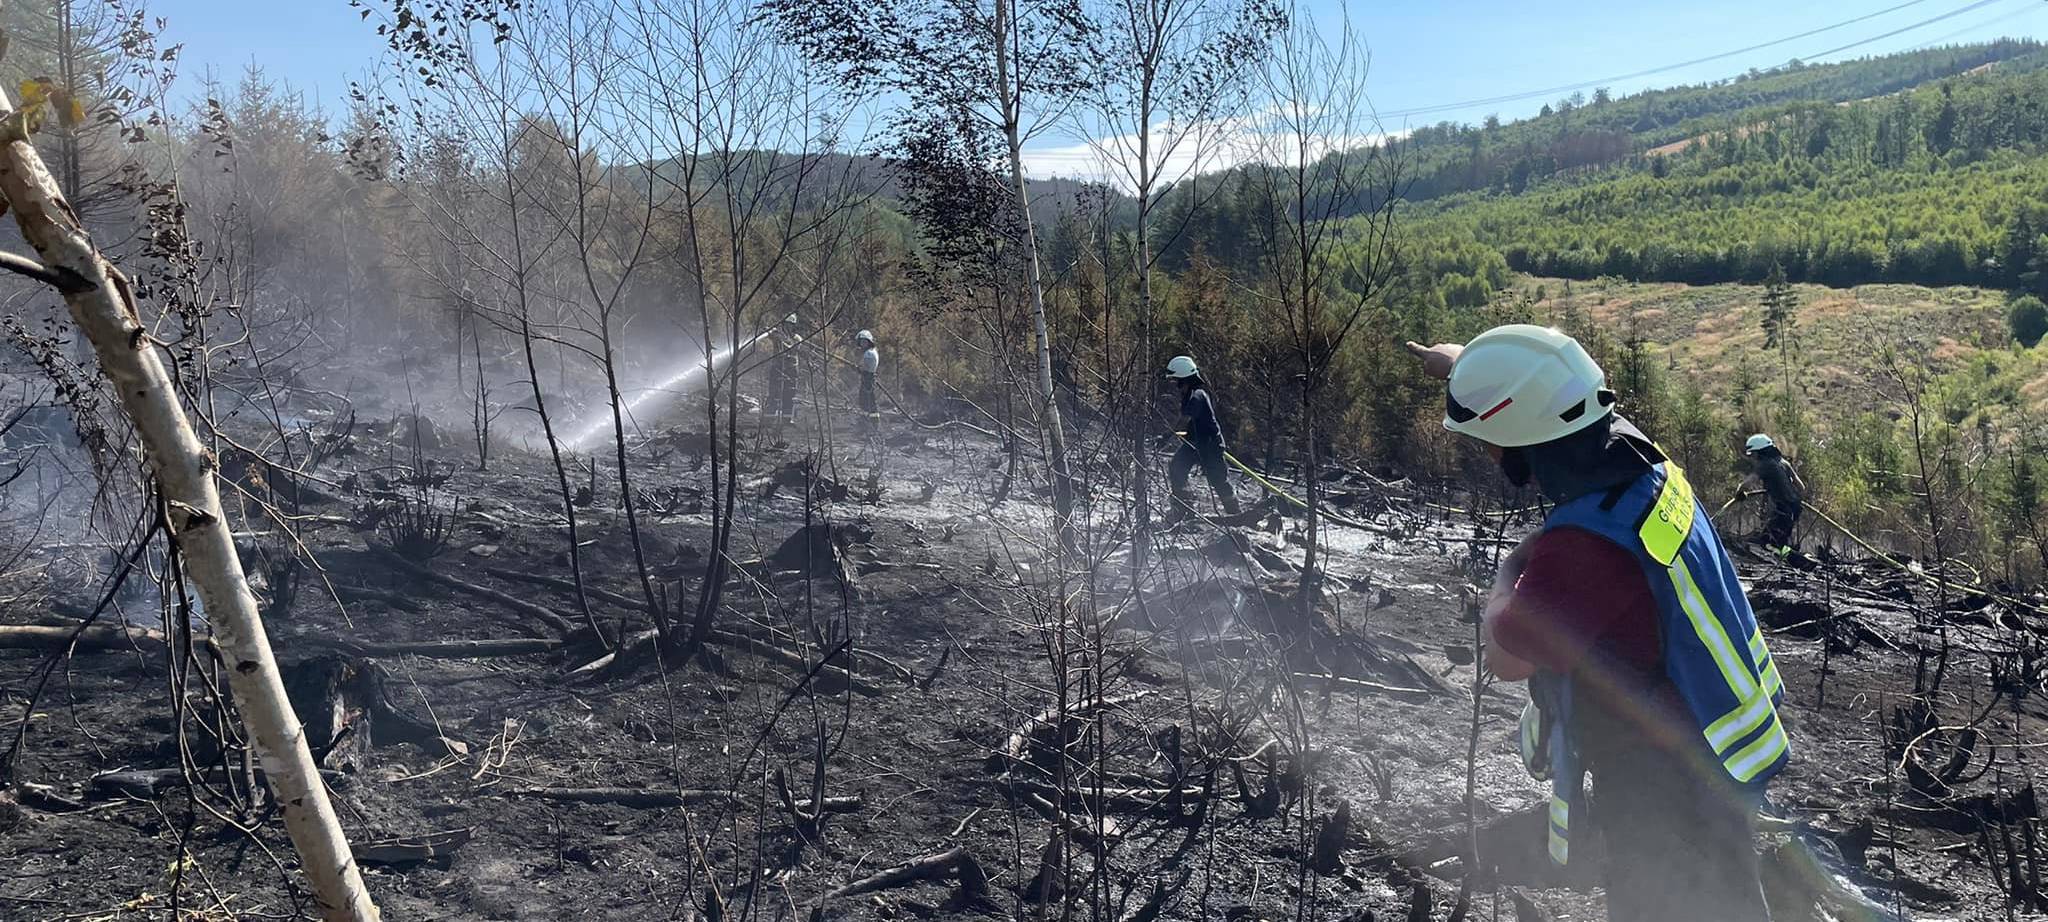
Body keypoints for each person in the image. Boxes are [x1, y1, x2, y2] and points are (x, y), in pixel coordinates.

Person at [1407, 329, 1788, 922]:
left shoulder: (1583, 546)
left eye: (1487, 437)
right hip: (1714, 742)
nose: (1485, 451)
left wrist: (1510, 569)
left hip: (1661, 785)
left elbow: (1507, 656)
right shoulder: (1635, 457)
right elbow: (1542, 390)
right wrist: (1460, 366)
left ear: (1521, 436)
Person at [1161, 355, 1240, 522]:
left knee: (1218, 480)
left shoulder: (1197, 395)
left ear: (1184, 379)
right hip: (1193, 444)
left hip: (1210, 445)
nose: (1176, 386)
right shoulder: (1190, 394)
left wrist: (1166, 435)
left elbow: (1185, 419)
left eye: (1176, 381)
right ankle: (1183, 509)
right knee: (1176, 468)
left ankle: (1236, 515)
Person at [1742, 433, 1805, 557]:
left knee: (1768, 543)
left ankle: (1794, 560)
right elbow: (1801, 487)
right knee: (1780, 541)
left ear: (1761, 452)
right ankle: (1794, 560)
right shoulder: (1784, 462)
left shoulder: (1765, 464)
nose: (1753, 457)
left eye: (1753, 453)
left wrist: (1739, 493)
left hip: (1783, 510)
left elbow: (1747, 483)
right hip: (1796, 509)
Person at [766, 314, 802, 425]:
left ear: (793, 326)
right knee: (773, 392)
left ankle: (787, 418)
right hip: (777, 367)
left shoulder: (797, 338)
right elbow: (768, 334)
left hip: (791, 369)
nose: (788, 327)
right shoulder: (777, 335)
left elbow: (791, 349)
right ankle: (769, 417)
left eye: (790, 325)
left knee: (789, 394)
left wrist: (781, 340)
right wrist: (769, 331)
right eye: (786, 324)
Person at [855, 329, 880, 433]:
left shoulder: (868, 354)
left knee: (866, 401)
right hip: (869, 378)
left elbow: (865, 369)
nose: (862, 344)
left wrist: (858, 369)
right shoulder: (872, 352)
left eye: (864, 342)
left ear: (868, 342)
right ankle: (867, 424)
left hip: (867, 379)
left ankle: (868, 425)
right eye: (861, 342)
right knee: (867, 401)